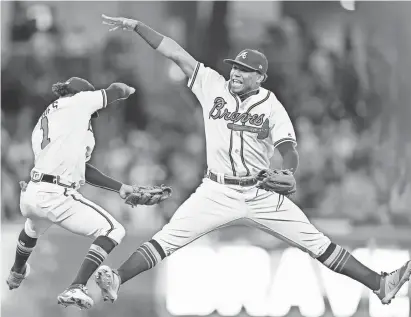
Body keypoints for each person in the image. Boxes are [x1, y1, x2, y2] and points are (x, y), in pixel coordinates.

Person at [95, 14, 411, 307]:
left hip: (260, 192)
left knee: (317, 242)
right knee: (167, 238)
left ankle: (380, 286)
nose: (235, 73)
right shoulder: (212, 85)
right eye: (235, 67)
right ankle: (118, 278)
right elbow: (177, 54)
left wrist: (290, 170)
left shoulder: (271, 106)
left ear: (259, 77)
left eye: (244, 70)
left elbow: (289, 147)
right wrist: (139, 27)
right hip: (216, 190)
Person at [6, 77, 136, 310]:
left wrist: (120, 188)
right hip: (56, 193)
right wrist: (129, 89)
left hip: (32, 192)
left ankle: (16, 271)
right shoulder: (78, 102)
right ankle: (77, 285)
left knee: (32, 228)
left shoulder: (46, 120)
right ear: (79, 94)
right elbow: (116, 91)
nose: (92, 116)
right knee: (114, 230)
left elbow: (82, 170)